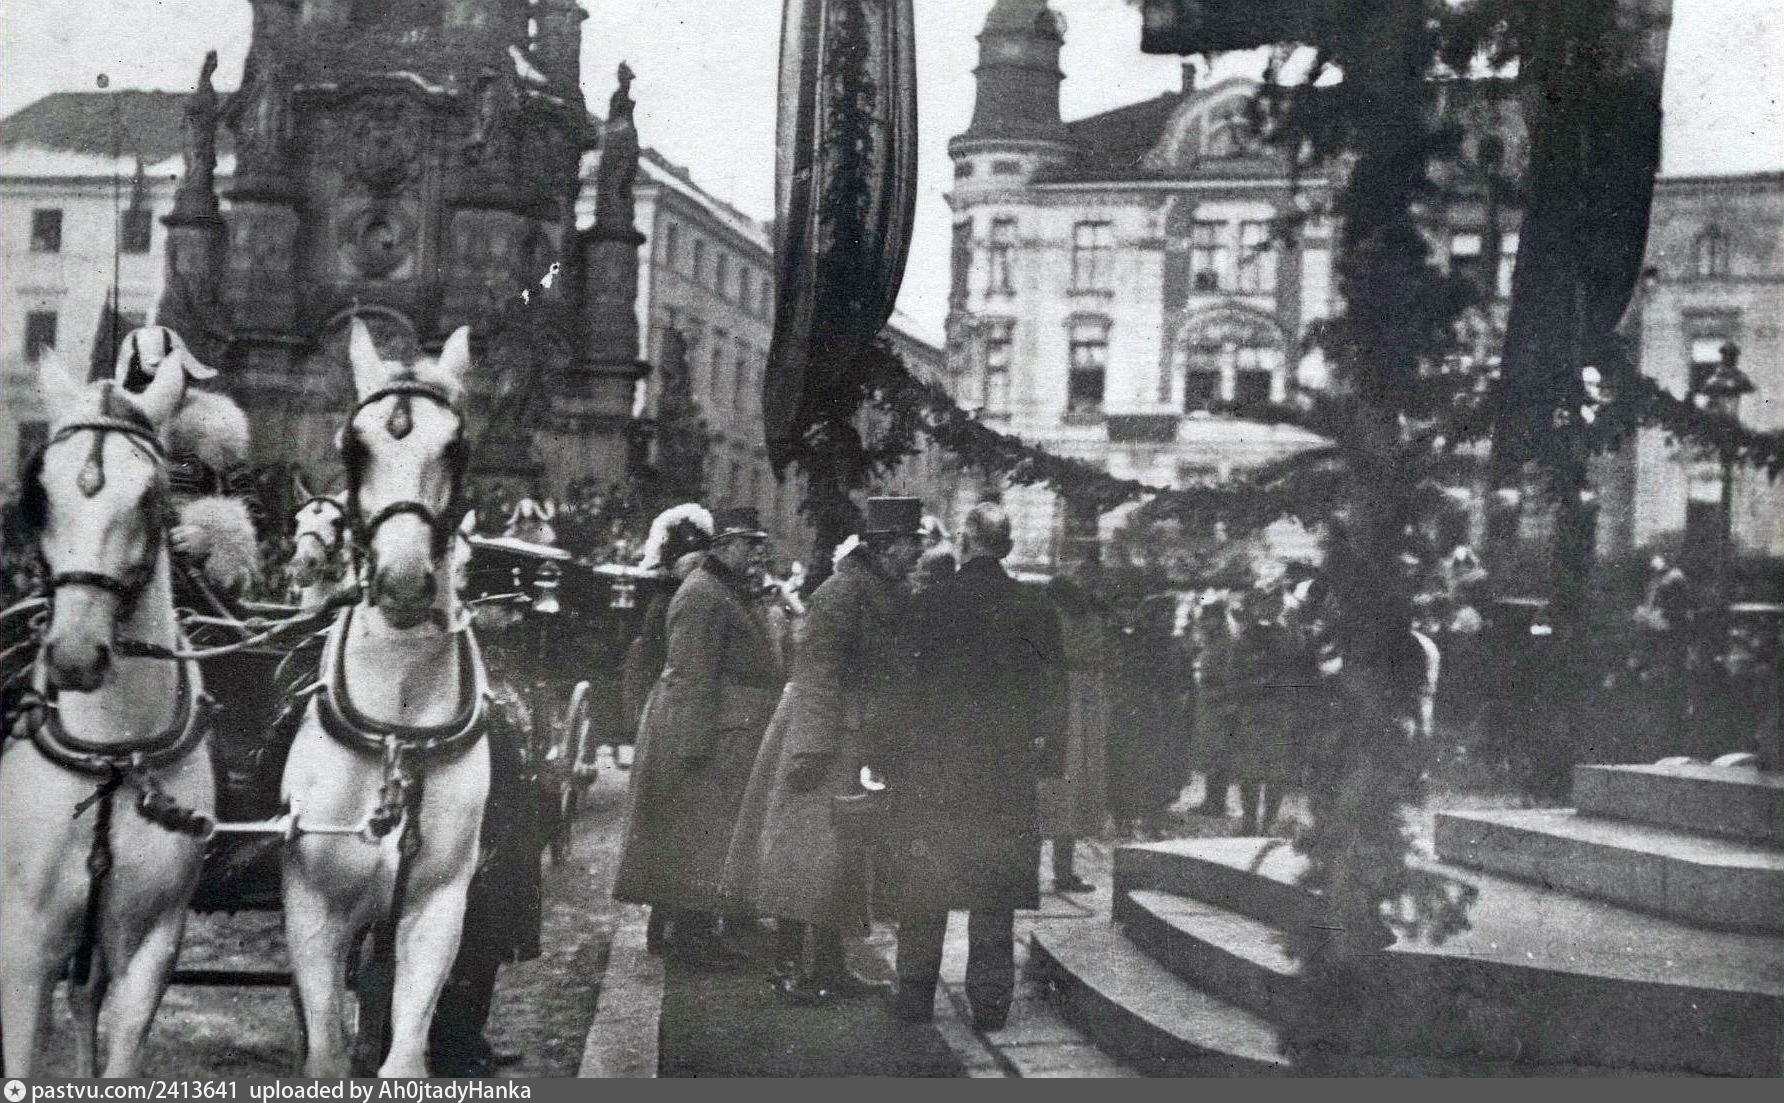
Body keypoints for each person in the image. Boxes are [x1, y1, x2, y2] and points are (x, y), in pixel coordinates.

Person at [725, 497, 925, 1004]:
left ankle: (832, 968)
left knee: (841, 863)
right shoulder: (840, 594)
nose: (919, 552)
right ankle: (791, 968)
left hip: (855, 735)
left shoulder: (887, 592)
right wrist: (810, 750)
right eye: (912, 542)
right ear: (886, 546)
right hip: (821, 736)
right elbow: (816, 674)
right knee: (802, 855)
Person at [876, 503, 1067, 1029]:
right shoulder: (1034, 608)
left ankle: (915, 996)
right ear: (1007, 546)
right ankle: (990, 1004)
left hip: (934, 771)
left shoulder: (929, 604)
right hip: (1004, 773)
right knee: (994, 890)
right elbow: (1053, 694)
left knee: (925, 884)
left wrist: (889, 759)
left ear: (963, 543)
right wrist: (1048, 760)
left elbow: (902, 692)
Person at [612, 506, 784, 966]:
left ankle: (687, 933)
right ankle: (691, 940)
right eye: (750, 544)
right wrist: (692, 748)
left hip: (724, 732)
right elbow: (692, 674)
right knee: (698, 837)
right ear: (725, 545)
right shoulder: (703, 594)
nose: (758, 554)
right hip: (708, 735)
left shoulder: (721, 589)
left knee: (706, 836)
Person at [113, 325, 259, 601]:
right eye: (141, 384)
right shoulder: (112, 439)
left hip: (191, 581)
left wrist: (210, 539)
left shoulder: (216, 436)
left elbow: (250, 513)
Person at [1039, 570, 1111, 893]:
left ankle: (1057, 869)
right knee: (1070, 786)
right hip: (1078, 705)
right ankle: (1063, 870)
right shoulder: (1091, 620)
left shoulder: (1059, 622)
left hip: (1066, 705)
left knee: (1061, 787)